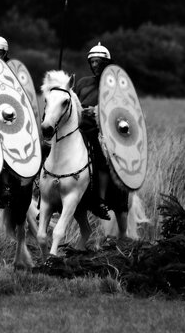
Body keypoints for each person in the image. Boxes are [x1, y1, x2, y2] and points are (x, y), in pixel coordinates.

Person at [74, 42, 129, 233]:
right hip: (79, 130)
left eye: (98, 62)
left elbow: (119, 108)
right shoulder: (82, 83)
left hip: (102, 133)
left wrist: (96, 111)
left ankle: (102, 200)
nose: (95, 65)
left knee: (102, 159)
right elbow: (72, 102)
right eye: (92, 61)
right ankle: (45, 194)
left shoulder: (115, 85)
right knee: (50, 149)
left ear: (106, 63)